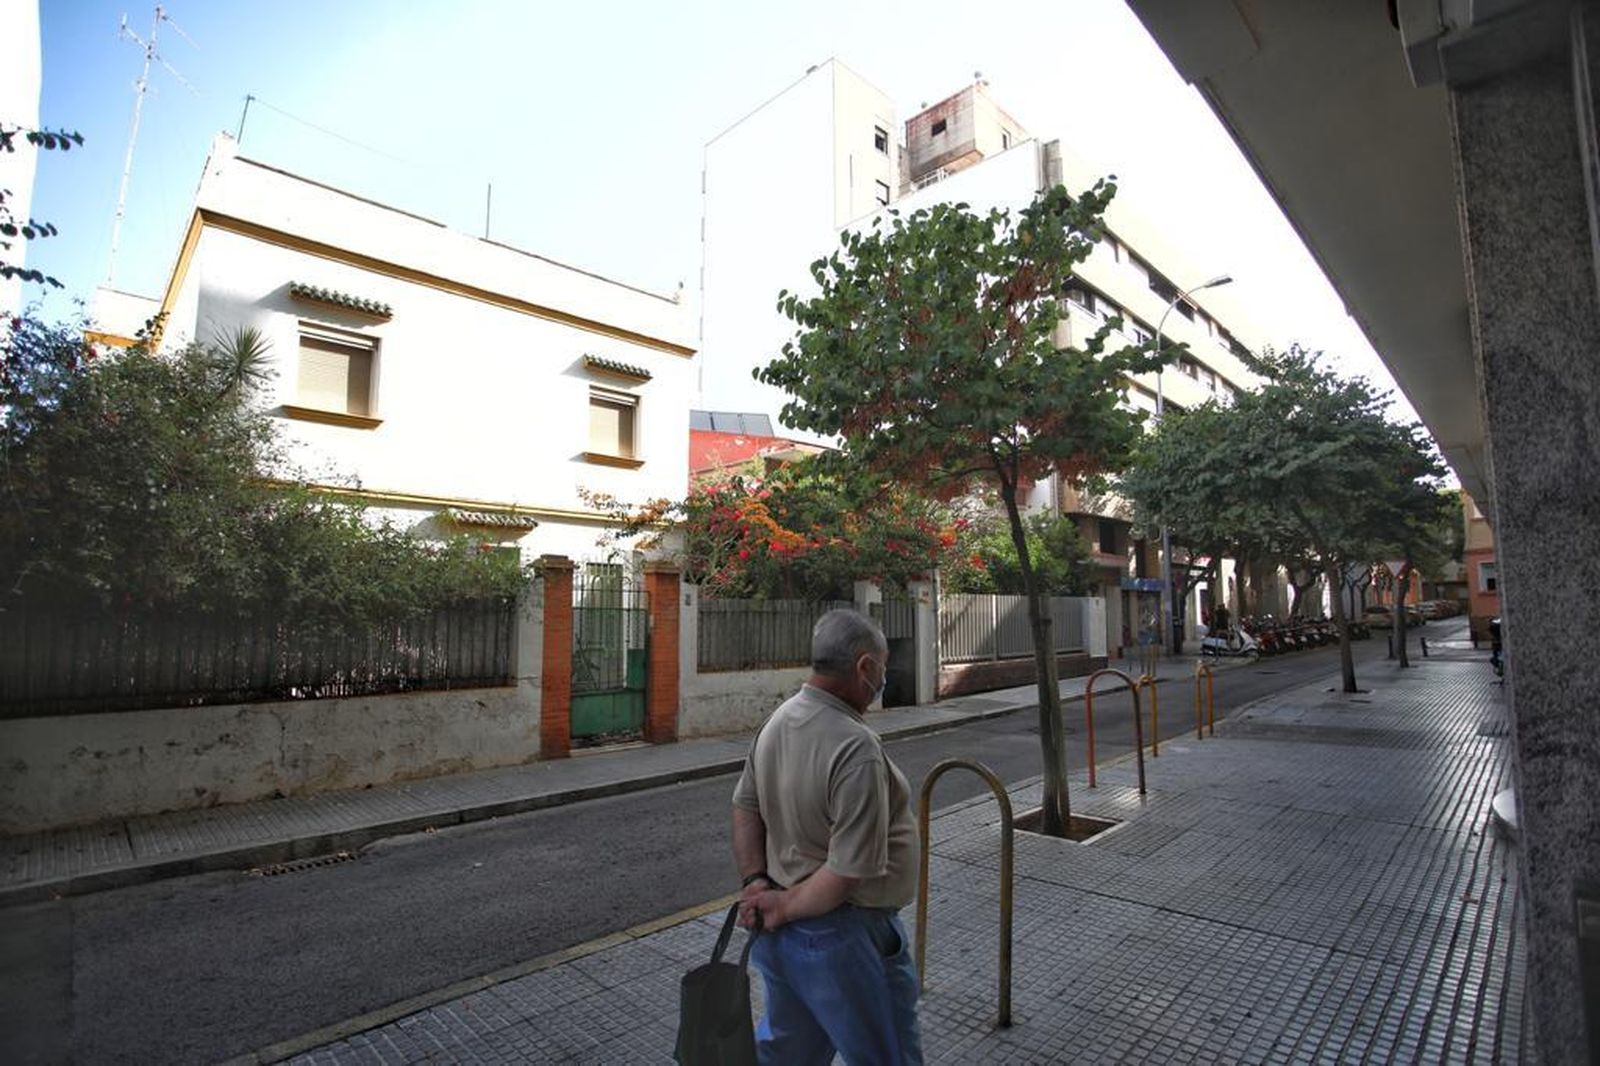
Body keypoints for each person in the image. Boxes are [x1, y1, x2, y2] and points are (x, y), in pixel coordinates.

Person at [731, 608, 923, 1065]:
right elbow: (847, 870)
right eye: (882, 664)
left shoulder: (778, 719)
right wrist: (783, 904)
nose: (883, 677)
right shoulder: (855, 748)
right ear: (864, 667)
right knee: (886, 1056)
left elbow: (745, 806)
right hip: (844, 936)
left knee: (787, 1054)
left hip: (783, 938)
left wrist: (757, 882)